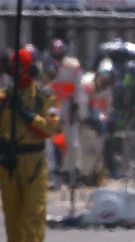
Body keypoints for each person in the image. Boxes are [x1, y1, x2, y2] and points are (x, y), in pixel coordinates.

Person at [0, 48, 60, 242]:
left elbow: (49, 127)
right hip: (9, 161)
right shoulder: (3, 98)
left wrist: (24, 112)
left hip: (34, 159)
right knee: (12, 211)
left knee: (33, 209)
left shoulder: (44, 97)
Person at [45, 39, 86, 186]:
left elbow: (79, 87)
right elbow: (45, 86)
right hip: (52, 106)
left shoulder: (73, 65)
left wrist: (78, 106)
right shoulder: (47, 64)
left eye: (60, 55)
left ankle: (72, 172)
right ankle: (52, 175)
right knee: (51, 141)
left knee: (72, 142)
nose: (58, 58)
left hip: (69, 106)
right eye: (55, 56)